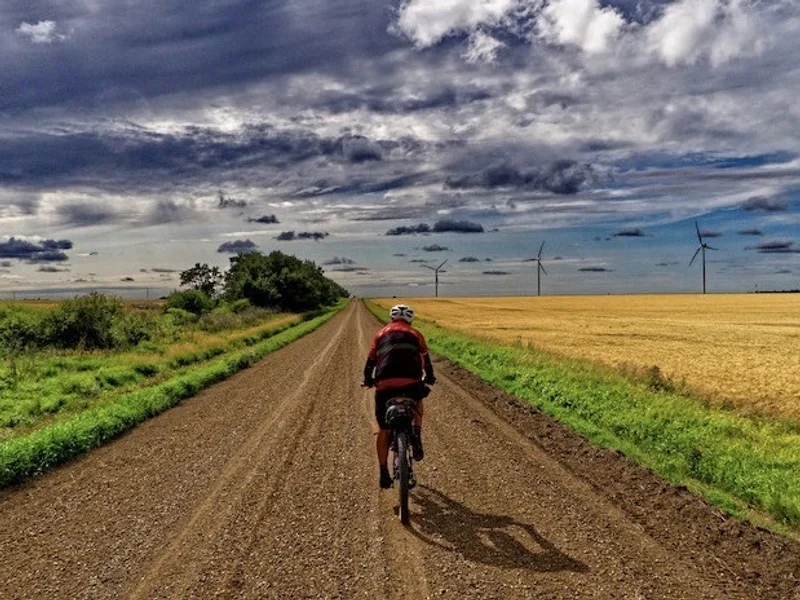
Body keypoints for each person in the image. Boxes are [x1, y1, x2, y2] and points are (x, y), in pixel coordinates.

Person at [363, 304, 436, 489]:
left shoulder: (380, 334)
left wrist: (368, 381)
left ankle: (383, 472)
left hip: (385, 384)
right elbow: (426, 362)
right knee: (418, 398)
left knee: (383, 428)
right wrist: (429, 378)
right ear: (410, 319)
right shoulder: (416, 334)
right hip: (410, 382)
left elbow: (370, 362)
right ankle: (417, 435)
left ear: (392, 318)